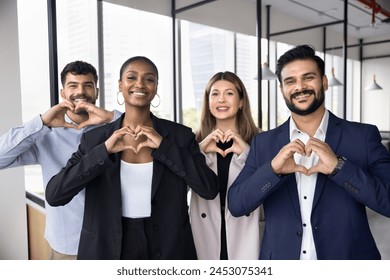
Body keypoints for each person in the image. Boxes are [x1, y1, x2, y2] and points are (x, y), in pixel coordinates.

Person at [45, 56, 218, 260]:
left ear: (155, 87)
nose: (140, 84)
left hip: (168, 246)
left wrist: (165, 147)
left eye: (149, 79)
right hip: (106, 247)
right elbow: (55, 195)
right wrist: (104, 151)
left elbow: (209, 188)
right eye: (131, 77)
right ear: (120, 85)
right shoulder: (95, 139)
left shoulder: (179, 136)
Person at [228, 44, 390, 260]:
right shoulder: (264, 143)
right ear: (282, 90)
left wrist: (339, 168)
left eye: (308, 77)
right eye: (290, 81)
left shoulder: (363, 137)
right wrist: (273, 170)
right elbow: (237, 205)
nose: (300, 87)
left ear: (324, 82)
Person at [0, 60, 121, 260]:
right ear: (63, 92)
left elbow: (151, 136)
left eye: (87, 85)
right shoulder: (45, 135)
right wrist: (42, 122)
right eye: (73, 85)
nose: (80, 91)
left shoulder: (114, 129)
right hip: (69, 247)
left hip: (113, 244)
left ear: (97, 92)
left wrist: (112, 117)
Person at [189, 71, 264, 260]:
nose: (221, 99)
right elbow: (177, 187)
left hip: (247, 236)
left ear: (241, 102)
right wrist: (198, 152)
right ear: (207, 102)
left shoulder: (261, 141)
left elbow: (266, 185)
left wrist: (247, 153)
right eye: (214, 94)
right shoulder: (192, 141)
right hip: (204, 235)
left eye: (229, 93)